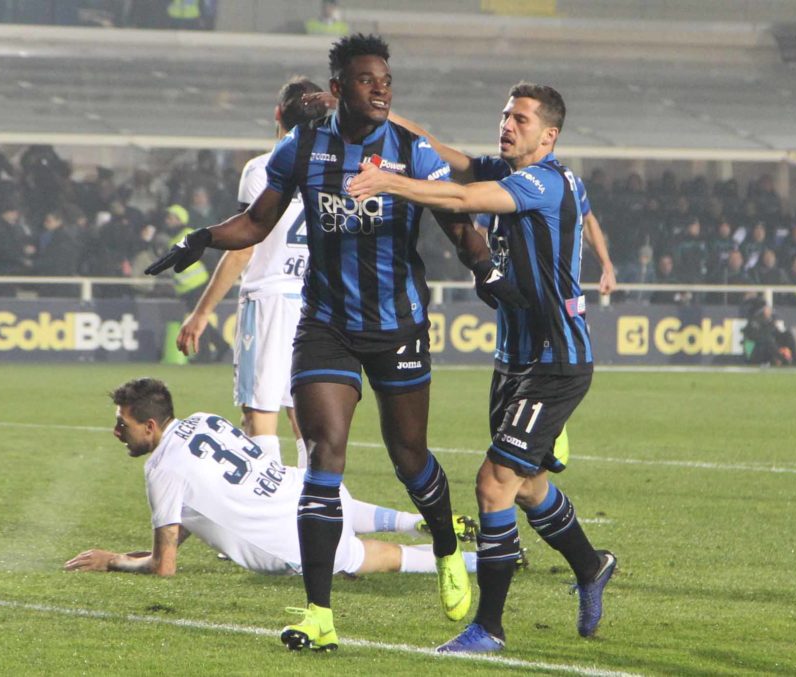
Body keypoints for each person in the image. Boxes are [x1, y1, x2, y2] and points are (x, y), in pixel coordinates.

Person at [145, 34, 526, 652]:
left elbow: (459, 225)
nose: (382, 90)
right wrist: (202, 238)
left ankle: (446, 548)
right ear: (339, 88)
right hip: (325, 325)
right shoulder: (303, 146)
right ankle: (319, 614)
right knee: (324, 457)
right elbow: (257, 222)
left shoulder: (411, 150)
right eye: (368, 80)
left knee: (410, 458)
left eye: (386, 80)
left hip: (398, 325)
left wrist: (486, 271)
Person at [349, 81, 618, 653]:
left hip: (555, 360)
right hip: (514, 360)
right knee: (527, 487)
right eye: (505, 115)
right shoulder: (511, 170)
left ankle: (489, 628)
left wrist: (388, 181)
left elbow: (461, 198)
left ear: (549, 135)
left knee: (493, 483)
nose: (507, 125)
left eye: (520, 119)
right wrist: (379, 116)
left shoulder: (542, 183)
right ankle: (591, 565)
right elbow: (439, 151)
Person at [64, 378, 480, 580]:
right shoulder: (204, 419)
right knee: (339, 510)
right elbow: (190, 517)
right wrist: (143, 551)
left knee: (384, 557)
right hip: (309, 489)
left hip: (290, 543)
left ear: (151, 425)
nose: (117, 432)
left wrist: (113, 561)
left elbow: (164, 567)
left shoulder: (161, 469)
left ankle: (485, 562)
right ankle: (415, 521)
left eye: (123, 425)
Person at [176, 76, 327, 469]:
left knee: (259, 411)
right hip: (315, 304)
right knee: (304, 414)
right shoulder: (332, 172)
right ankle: (319, 498)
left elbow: (244, 246)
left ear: (277, 114)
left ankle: (269, 499)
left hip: (268, 298)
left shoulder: (263, 168)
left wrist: (202, 312)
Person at [163, 203, 229, 361]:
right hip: (188, 288)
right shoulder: (176, 238)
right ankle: (220, 346)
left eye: (171, 218)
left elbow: (207, 256)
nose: (167, 220)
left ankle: (204, 355)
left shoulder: (187, 235)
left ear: (180, 220)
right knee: (198, 318)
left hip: (197, 285)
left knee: (198, 318)